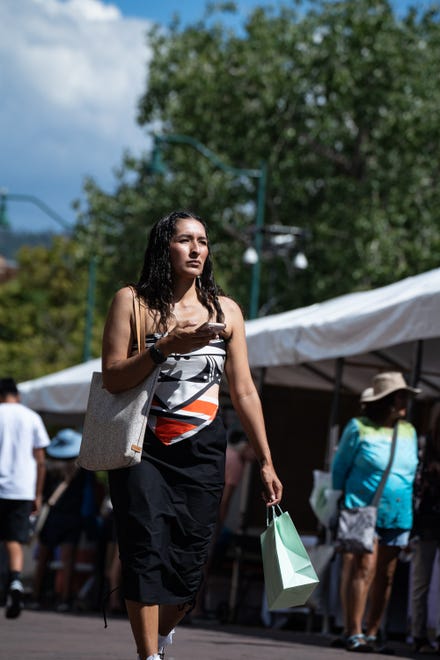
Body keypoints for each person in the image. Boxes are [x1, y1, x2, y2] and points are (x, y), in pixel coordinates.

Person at [102, 210, 283, 660]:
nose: (197, 249)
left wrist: (265, 460)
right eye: (185, 240)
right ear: (165, 246)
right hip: (143, 444)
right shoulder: (132, 302)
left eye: (202, 241)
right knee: (144, 550)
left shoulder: (227, 311)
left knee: (190, 566)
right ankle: (149, 656)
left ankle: (161, 636)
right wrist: (164, 346)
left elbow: (242, 390)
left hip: (204, 448)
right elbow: (112, 377)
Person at [331, 372, 420, 653]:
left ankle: (371, 631)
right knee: (363, 568)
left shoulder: (409, 430)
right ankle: (354, 632)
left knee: (388, 574)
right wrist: (337, 500)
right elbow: (339, 468)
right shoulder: (358, 427)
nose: (405, 401)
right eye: (400, 396)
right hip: (360, 508)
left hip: (398, 512)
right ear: (385, 400)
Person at [31, 428, 102, 612]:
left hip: (51, 515)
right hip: (73, 517)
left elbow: (42, 493)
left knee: (43, 557)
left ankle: (36, 595)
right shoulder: (83, 469)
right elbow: (93, 492)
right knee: (68, 558)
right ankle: (64, 599)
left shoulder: (48, 468)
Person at [0, 377, 50, 619]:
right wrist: (37, 494)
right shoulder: (31, 417)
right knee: (14, 540)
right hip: (21, 489)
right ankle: (16, 582)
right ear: (16, 396)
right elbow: (40, 460)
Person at [410, 402, 440, 654]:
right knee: (422, 580)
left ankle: (425, 634)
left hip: (428, 518)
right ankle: (419, 634)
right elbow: (417, 483)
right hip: (427, 519)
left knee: (424, 579)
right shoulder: (424, 447)